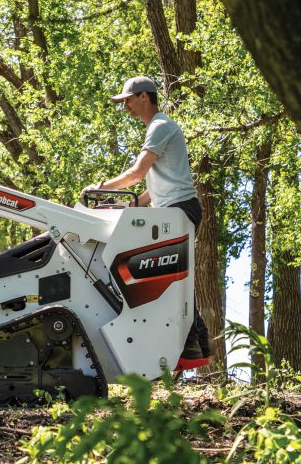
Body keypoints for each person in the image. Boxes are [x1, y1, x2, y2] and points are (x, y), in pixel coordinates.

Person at [82, 75, 212, 360]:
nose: (124, 106)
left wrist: (101, 188)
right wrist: (128, 207)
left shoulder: (160, 126)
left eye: (127, 100)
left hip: (179, 210)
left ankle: (190, 344)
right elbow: (152, 187)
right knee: (174, 279)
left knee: (163, 278)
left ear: (144, 96)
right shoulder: (157, 128)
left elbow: (137, 173)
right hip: (172, 208)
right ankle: (196, 347)